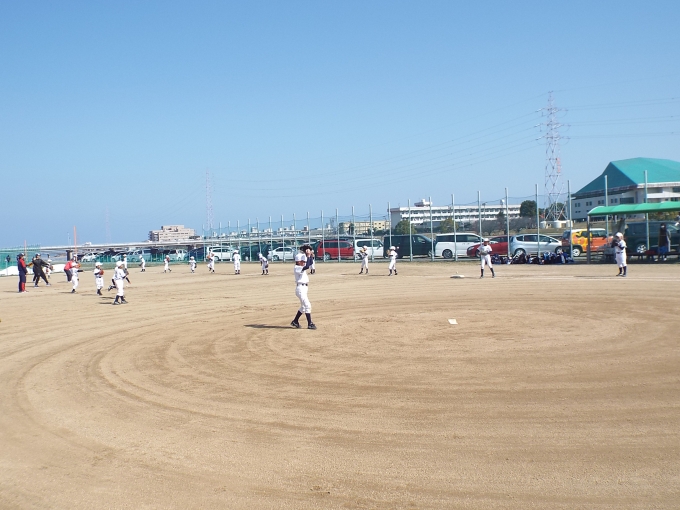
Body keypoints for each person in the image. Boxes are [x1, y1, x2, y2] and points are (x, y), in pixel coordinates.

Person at [290, 250, 316, 330]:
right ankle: (310, 324)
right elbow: (307, 266)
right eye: (303, 261)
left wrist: (310, 256)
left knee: (303, 307)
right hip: (300, 289)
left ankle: (295, 321)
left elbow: (310, 263)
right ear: (298, 261)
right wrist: (308, 256)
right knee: (308, 305)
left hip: (304, 288)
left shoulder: (300, 266)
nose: (304, 262)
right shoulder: (297, 267)